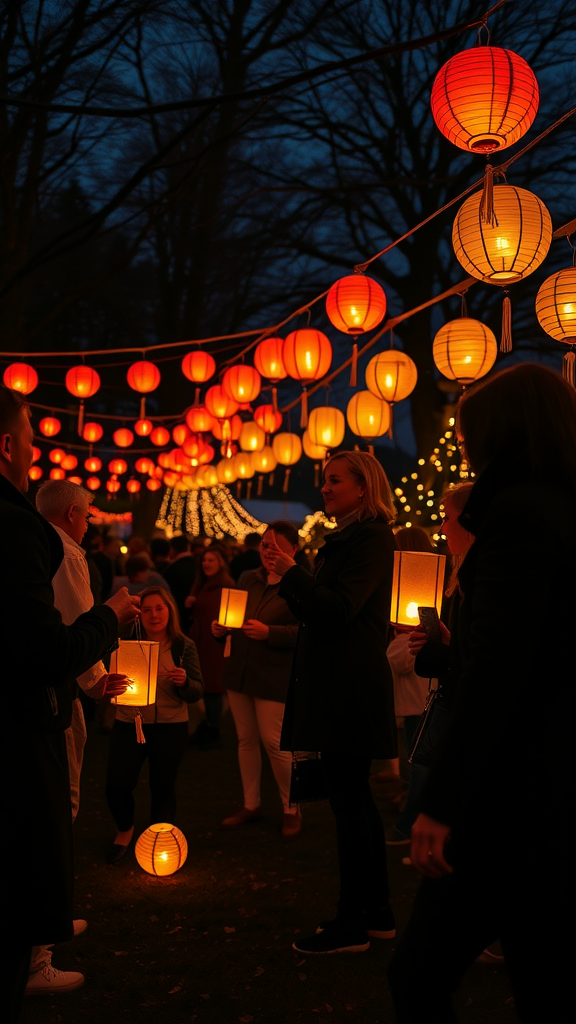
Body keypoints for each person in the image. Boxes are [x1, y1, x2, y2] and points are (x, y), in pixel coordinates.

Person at [388, 364, 576, 1023]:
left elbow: (501, 670)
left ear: (500, 431)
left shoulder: (519, 515)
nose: (462, 444)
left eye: (468, 432)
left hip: (510, 786)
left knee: (421, 970)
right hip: (545, 780)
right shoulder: (555, 505)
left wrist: (441, 803)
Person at [0, 385, 139, 1020]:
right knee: (48, 820)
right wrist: (110, 622)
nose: (34, 449)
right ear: (8, 446)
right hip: (24, 717)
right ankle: (35, 949)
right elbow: (49, 641)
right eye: (30, 437)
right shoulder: (28, 534)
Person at [271, 451, 398, 954]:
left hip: (349, 690)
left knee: (352, 809)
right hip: (338, 686)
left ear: (363, 486)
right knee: (355, 805)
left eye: (334, 481)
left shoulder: (370, 538)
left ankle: (351, 925)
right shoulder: (343, 539)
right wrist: (292, 578)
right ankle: (377, 914)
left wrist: (295, 573)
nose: (324, 488)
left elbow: (343, 609)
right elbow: (321, 611)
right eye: (323, 481)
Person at [212, 522, 301, 838]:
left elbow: (310, 632)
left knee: (274, 742)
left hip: (273, 672)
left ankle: (292, 808)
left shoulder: (301, 584)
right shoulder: (248, 578)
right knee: (246, 739)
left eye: (276, 546)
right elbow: (232, 616)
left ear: (294, 550)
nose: (268, 551)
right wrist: (220, 628)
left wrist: (270, 633)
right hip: (240, 668)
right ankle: (252, 804)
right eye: (265, 545)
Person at [105, 587, 203, 864]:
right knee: (117, 784)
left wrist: (185, 683)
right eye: (146, 609)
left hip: (171, 726)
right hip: (130, 723)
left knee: (162, 786)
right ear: (138, 614)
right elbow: (106, 680)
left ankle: (160, 843)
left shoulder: (183, 646)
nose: (153, 615)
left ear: (169, 610)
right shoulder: (124, 643)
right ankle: (125, 830)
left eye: (159, 608)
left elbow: (197, 690)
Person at [384, 525, 439, 844]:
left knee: (421, 763)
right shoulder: (421, 588)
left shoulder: (418, 592)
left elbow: (407, 658)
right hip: (418, 697)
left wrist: (399, 640)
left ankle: (409, 824)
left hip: (422, 696)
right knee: (415, 759)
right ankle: (409, 804)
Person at [187, 545, 235, 747]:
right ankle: (207, 725)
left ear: (221, 563)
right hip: (201, 642)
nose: (206, 563)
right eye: (204, 560)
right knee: (205, 685)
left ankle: (213, 728)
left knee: (213, 686)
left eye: (211, 560)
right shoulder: (203, 584)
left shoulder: (226, 586)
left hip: (214, 644)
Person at [162, 534, 197, 629]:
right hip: (195, 613)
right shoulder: (198, 564)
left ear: (172, 549)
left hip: (178, 614)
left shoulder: (171, 569)